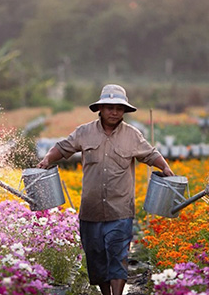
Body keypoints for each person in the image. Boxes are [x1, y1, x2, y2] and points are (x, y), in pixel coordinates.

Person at [37, 84, 174, 295]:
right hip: (90, 211)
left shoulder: (132, 135)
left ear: (124, 111)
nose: (114, 112)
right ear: (100, 108)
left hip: (120, 210)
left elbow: (150, 154)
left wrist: (164, 166)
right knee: (96, 258)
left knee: (118, 255)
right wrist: (47, 158)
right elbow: (63, 147)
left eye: (119, 108)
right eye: (109, 107)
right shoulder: (84, 132)